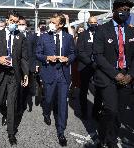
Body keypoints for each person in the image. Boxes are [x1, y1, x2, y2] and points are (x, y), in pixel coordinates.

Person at [93, 0, 134, 147]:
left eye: (128, 10)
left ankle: (112, 139)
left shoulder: (132, 31)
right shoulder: (102, 30)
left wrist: (131, 75)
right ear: (114, 11)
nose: (125, 12)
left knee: (119, 113)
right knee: (110, 110)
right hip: (108, 76)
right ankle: (102, 137)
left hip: (126, 77)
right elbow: (98, 55)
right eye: (122, 9)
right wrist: (115, 74)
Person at [0, 10, 29, 145]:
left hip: (13, 74)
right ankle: (4, 113)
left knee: (12, 103)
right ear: (7, 21)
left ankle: (11, 133)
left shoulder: (20, 37)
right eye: (12, 21)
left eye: (16, 22)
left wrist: (26, 74)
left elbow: (23, 58)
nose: (14, 24)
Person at [36, 12, 76, 146]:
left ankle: (61, 131)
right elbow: (38, 54)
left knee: (62, 103)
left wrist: (68, 59)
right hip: (49, 73)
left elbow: (73, 53)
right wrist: (47, 58)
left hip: (63, 74)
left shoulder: (68, 37)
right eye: (50, 22)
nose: (51, 24)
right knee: (48, 99)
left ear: (61, 24)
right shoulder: (43, 37)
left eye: (54, 22)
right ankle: (46, 113)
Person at [77, 16, 102, 120]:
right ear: (88, 23)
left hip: (99, 67)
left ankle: (96, 112)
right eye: (91, 22)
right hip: (86, 66)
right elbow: (80, 52)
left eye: (95, 22)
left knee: (99, 90)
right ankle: (84, 111)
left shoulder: (101, 34)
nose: (93, 24)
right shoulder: (82, 35)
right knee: (83, 90)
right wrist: (91, 63)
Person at [17, 16, 38, 112]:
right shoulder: (14, 35)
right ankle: (17, 104)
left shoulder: (32, 36)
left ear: (26, 25)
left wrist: (36, 65)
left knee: (26, 86)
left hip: (28, 65)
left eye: (23, 24)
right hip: (16, 65)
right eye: (19, 24)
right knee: (16, 86)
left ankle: (23, 104)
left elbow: (35, 51)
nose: (21, 26)